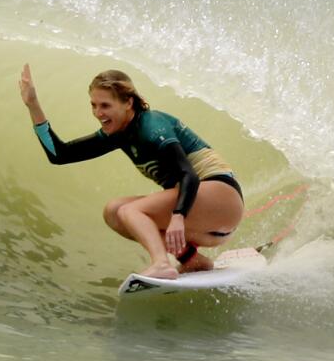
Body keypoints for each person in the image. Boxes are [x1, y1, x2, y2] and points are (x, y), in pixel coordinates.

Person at [18, 64, 244, 279]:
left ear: (128, 103)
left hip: (222, 198)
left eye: (105, 105)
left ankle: (161, 264)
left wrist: (178, 217)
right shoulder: (119, 133)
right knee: (114, 212)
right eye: (94, 105)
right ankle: (193, 260)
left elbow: (189, 174)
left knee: (130, 211)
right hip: (205, 219)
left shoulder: (152, 127)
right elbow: (60, 155)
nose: (98, 113)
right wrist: (33, 105)